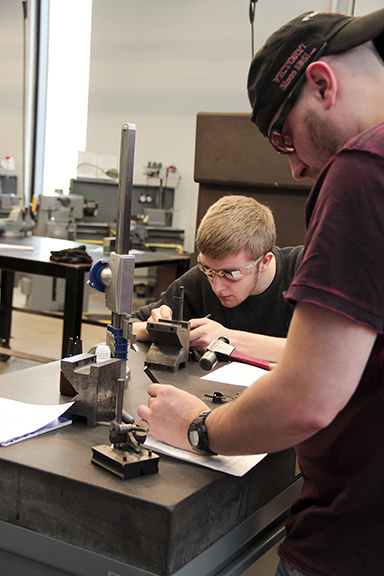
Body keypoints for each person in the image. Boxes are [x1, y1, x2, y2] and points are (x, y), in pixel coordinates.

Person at [138, 9, 384, 576]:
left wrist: (200, 427)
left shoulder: (361, 170)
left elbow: (307, 397)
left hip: (352, 541)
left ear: (322, 83)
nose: (296, 168)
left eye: (285, 136)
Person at [132, 194, 303, 360]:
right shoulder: (202, 278)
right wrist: (151, 329)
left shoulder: (305, 272)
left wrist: (225, 339)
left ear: (264, 262)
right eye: (209, 270)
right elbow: (126, 324)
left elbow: (322, 353)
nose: (216, 287)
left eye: (231, 274)